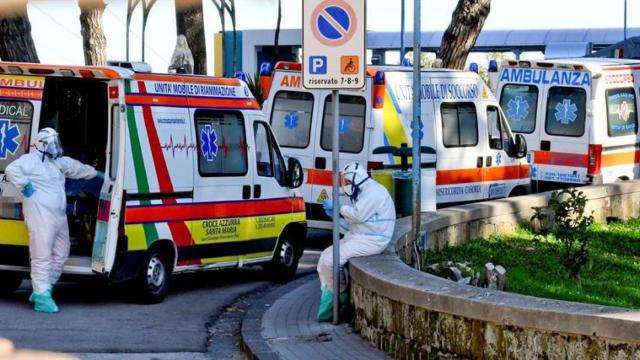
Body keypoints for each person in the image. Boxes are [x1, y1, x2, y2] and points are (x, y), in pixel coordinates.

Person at [5, 128, 103, 314]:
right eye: (52, 143)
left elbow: (76, 168)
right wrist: (25, 185)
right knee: (41, 257)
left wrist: (97, 174)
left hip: (58, 215)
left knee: (61, 252)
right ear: (42, 144)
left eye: (56, 142)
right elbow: (11, 169)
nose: (55, 147)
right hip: (41, 215)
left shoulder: (57, 162)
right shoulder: (30, 160)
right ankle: (42, 296)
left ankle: (43, 289)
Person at [316, 162, 396, 322]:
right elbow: (358, 222)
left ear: (355, 179)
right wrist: (337, 215)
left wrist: (338, 208)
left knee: (332, 260)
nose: (345, 186)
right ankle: (331, 294)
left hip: (372, 240)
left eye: (346, 182)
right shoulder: (364, 191)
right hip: (362, 235)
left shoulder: (373, 192)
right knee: (324, 258)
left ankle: (339, 297)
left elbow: (358, 215)